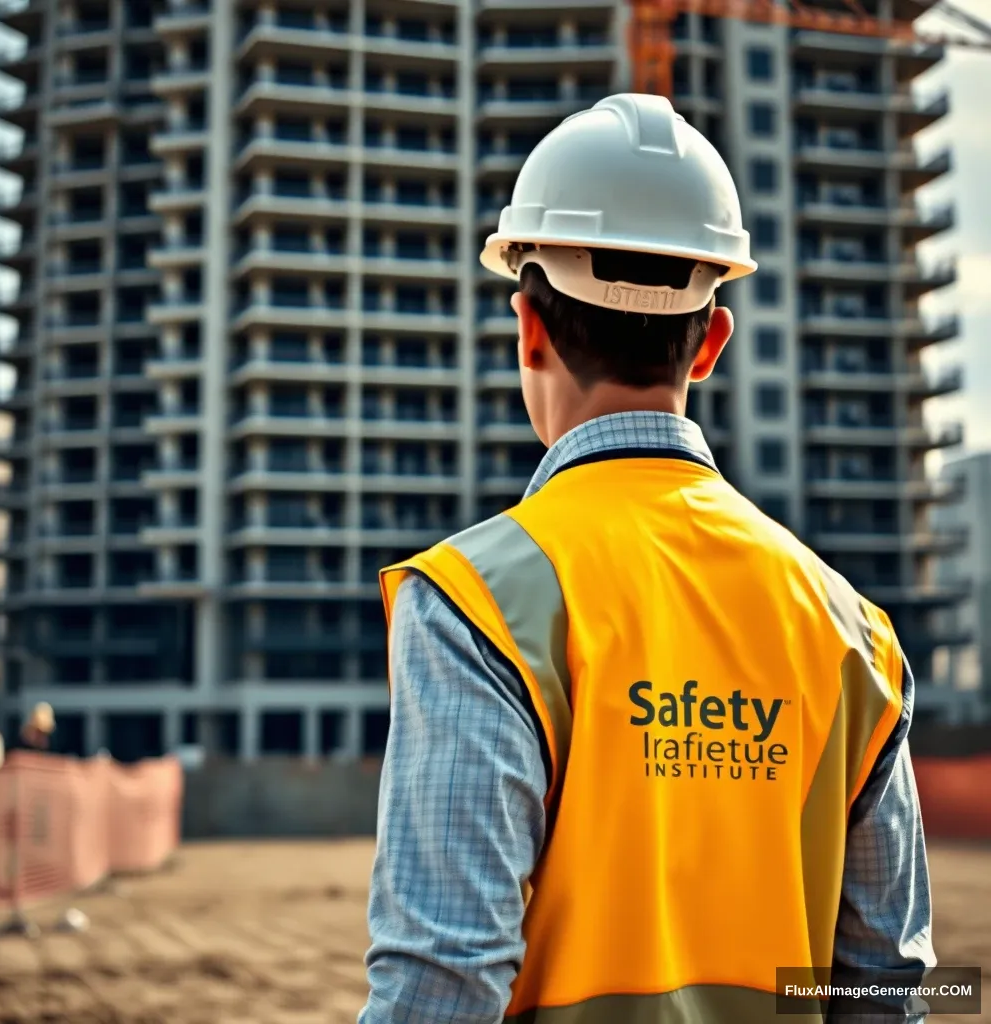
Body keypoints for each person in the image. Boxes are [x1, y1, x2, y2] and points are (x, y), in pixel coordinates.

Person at [359, 94, 934, 1023]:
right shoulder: (852, 635)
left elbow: (442, 984)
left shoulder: (477, 604)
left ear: (529, 329)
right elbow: (893, 991)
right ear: (710, 343)